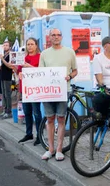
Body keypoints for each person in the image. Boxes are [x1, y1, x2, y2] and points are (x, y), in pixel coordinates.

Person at [39, 29, 78, 161]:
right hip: (48, 90)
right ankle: (50, 149)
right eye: (53, 35)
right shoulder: (44, 54)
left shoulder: (69, 52)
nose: (56, 37)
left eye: (58, 35)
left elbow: (75, 71)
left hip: (63, 90)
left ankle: (59, 149)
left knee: (61, 119)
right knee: (50, 119)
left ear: (62, 37)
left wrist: (69, 76)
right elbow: (40, 73)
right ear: (49, 37)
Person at [15, 38, 42, 143]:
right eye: (28, 44)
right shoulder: (23, 58)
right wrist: (19, 73)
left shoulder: (40, 57)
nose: (30, 46)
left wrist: (29, 66)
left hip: (35, 89)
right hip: (24, 89)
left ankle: (39, 136)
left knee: (36, 112)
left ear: (36, 46)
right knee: (27, 112)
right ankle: (29, 133)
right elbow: (18, 71)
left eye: (32, 44)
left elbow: (42, 72)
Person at [0, 41, 14, 119]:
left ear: (10, 47)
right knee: (3, 94)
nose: (5, 46)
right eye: (4, 45)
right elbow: (2, 67)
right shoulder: (4, 55)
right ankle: (5, 110)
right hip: (2, 76)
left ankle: (9, 111)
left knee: (8, 94)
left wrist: (2, 59)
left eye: (6, 45)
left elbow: (9, 65)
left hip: (8, 77)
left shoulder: (11, 55)